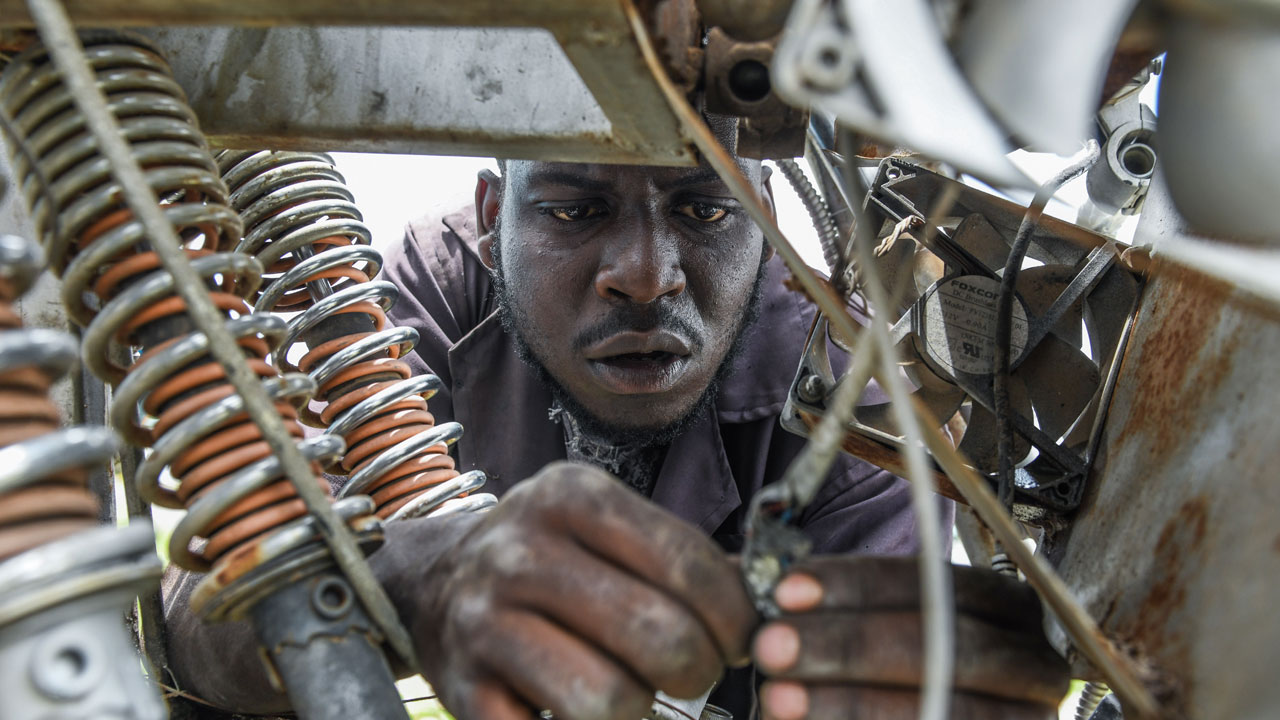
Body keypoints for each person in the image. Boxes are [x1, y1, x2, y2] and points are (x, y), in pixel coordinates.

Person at [163, 127, 1069, 719]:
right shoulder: (415, 303)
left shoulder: (850, 401)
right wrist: (417, 568)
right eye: (574, 209)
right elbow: (200, 626)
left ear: (764, 226)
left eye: (706, 208)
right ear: (490, 221)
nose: (645, 274)